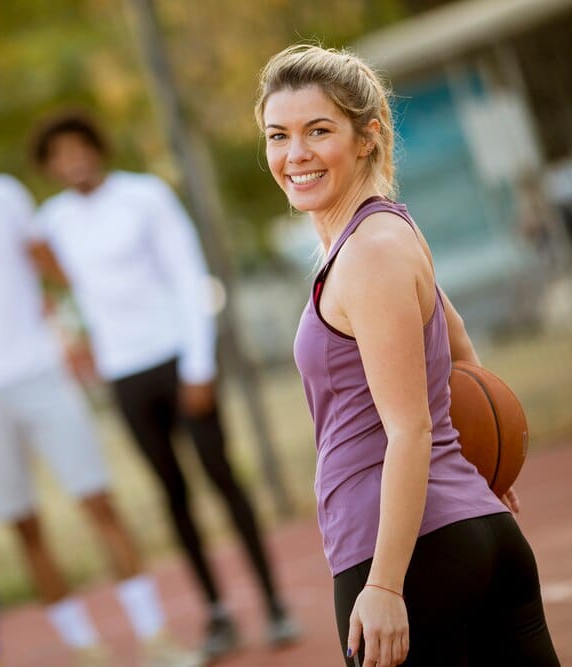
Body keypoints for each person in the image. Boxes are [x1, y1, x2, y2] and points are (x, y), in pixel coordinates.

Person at [256, 44, 560, 667]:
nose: (295, 155)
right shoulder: (391, 230)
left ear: (367, 137)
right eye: (277, 135)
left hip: (408, 554)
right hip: (479, 537)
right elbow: (463, 354)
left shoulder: (367, 254)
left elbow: (411, 426)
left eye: (319, 131)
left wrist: (387, 584)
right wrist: (484, 476)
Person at [0, 119, 201, 667]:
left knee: (100, 502)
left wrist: (77, 325)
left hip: (40, 372)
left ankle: (155, 638)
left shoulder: (3, 196)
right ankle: (85, 649)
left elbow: (52, 266)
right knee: (25, 525)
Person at [30, 112, 300, 659]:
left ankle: (273, 604)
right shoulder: (52, 220)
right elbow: (45, 271)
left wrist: (200, 366)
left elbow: (187, 274)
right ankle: (218, 613)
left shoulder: (144, 195)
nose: (73, 160)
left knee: (222, 479)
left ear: (97, 148)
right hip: (123, 375)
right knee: (172, 494)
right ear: (51, 166)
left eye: (80, 147)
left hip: (178, 360)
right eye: (60, 154)